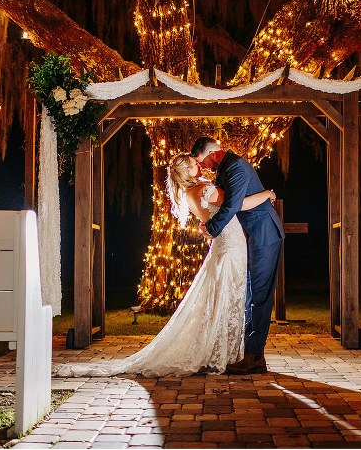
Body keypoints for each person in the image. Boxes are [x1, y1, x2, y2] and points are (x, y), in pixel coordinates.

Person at [54, 153, 275, 378]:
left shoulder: (190, 194)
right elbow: (240, 204)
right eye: (193, 165)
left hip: (223, 246)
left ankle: (224, 351)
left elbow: (211, 218)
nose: (198, 165)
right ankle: (224, 353)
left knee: (224, 299)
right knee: (229, 298)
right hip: (230, 247)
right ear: (186, 172)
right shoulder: (205, 190)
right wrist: (268, 194)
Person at [191, 136, 284, 375]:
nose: (203, 168)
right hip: (252, 235)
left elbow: (232, 205)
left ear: (212, 152)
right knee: (250, 291)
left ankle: (255, 357)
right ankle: (249, 351)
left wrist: (211, 229)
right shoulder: (225, 169)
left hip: (264, 233)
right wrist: (266, 194)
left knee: (260, 295)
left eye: (202, 162)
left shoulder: (235, 166)